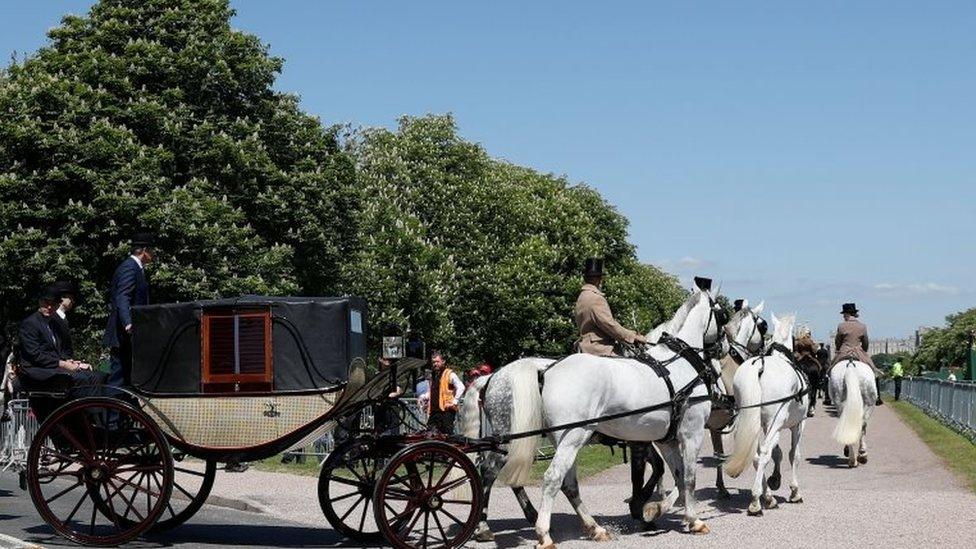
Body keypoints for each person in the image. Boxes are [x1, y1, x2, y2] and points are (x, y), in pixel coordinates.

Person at [18, 288, 103, 399]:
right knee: (81, 379)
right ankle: (85, 413)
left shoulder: (53, 323)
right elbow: (35, 355)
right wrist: (63, 364)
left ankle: (99, 413)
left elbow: (54, 351)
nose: (49, 307)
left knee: (96, 376)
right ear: (40, 302)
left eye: (53, 304)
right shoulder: (30, 324)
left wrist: (69, 362)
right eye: (46, 303)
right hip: (35, 370)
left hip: (52, 366)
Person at [104, 233, 153, 388]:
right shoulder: (129, 268)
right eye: (152, 250)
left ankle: (124, 411)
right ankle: (112, 412)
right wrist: (128, 323)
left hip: (127, 336)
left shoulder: (137, 269)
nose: (154, 254)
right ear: (144, 250)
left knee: (126, 378)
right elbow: (123, 297)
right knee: (117, 378)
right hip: (122, 335)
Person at [574, 258, 648, 356]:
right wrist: (633, 337)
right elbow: (609, 325)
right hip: (600, 348)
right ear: (598, 280)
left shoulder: (582, 297)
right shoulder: (596, 299)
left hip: (584, 345)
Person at [832, 303, 884, 405]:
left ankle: (829, 397)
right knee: (873, 371)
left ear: (847, 314)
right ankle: (877, 397)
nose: (843, 317)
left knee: (830, 369)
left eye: (844, 314)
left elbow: (837, 341)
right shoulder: (862, 326)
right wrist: (863, 351)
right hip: (858, 352)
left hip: (844, 351)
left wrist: (839, 349)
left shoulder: (841, 326)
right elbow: (865, 343)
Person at [425, 350, 464, 434]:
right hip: (434, 412)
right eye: (433, 362)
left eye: (437, 362)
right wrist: (424, 397)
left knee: (447, 436)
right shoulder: (433, 375)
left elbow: (461, 387)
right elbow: (433, 391)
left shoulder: (449, 374)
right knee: (430, 435)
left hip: (446, 412)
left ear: (443, 361)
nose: (435, 364)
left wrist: (454, 402)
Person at [793, 327, 821, 417]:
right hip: (811, 359)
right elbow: (815, 351)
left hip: (800, 360)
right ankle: (812, 406)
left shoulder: (798, 341)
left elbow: (796, 351)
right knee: (819, 368)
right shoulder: (810, 341)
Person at [49, 280, 78, 359]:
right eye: (71, 298)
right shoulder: (52, 319)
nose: (73, 301)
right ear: (62, 298)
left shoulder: (62, 318)